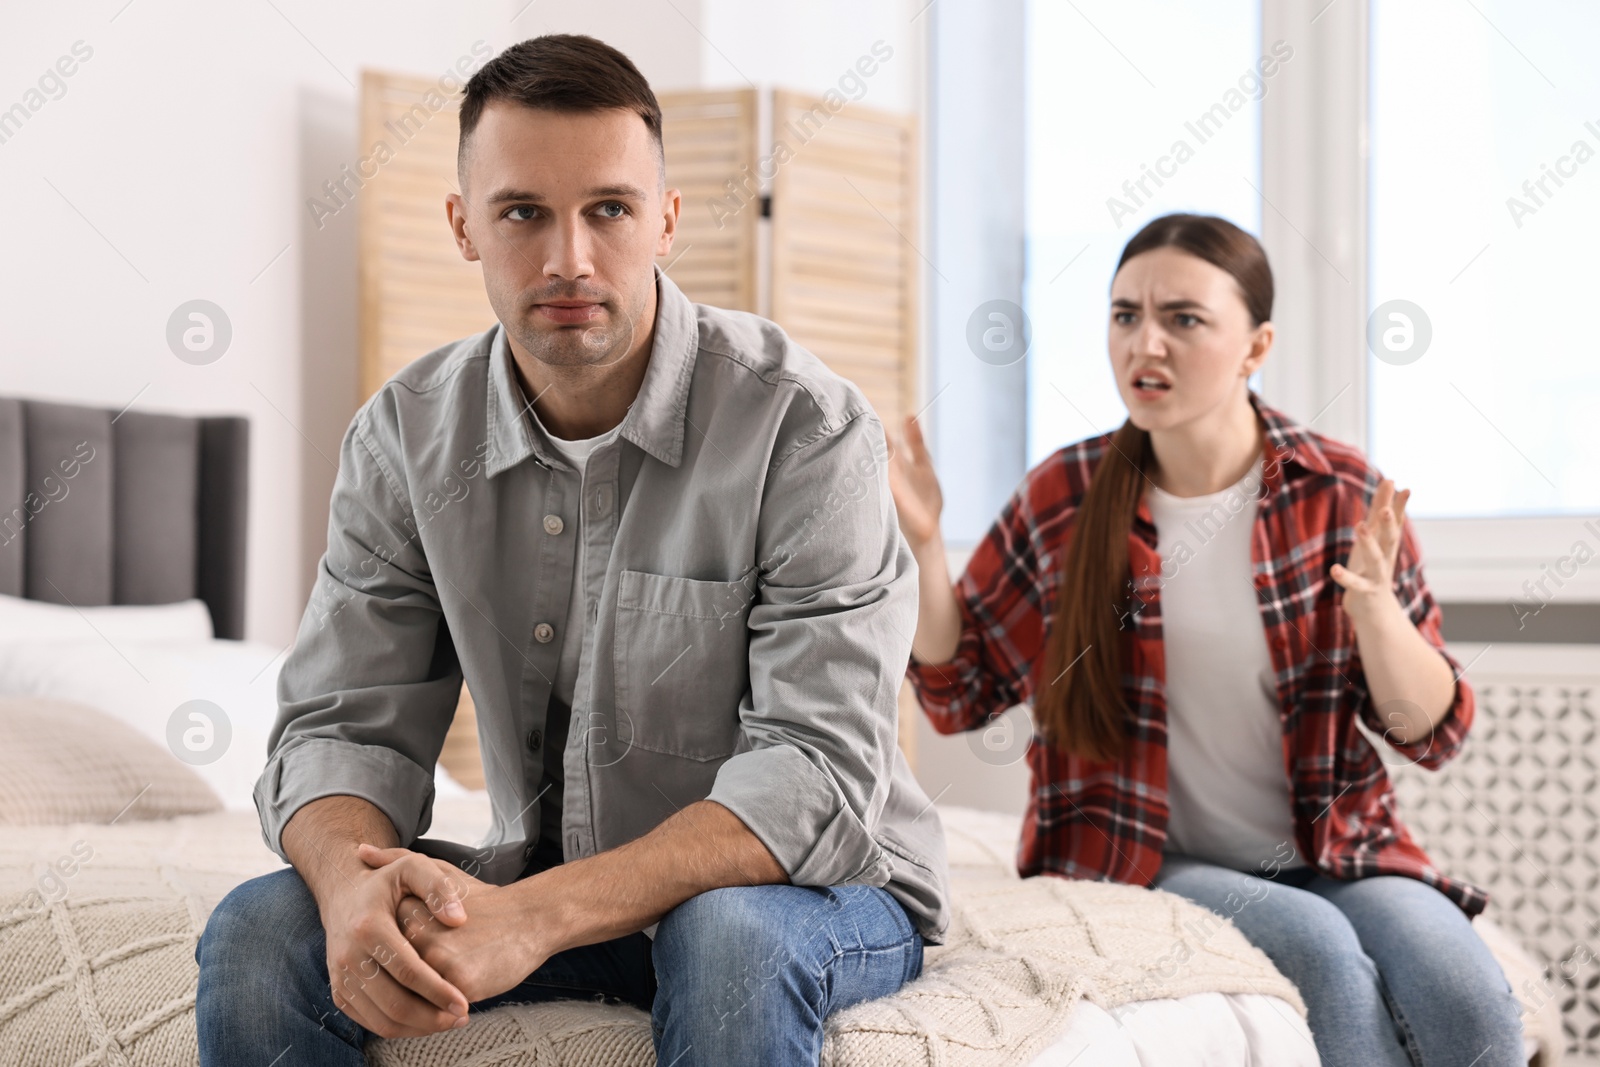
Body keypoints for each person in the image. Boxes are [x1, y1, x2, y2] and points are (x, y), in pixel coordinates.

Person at [195, 33, 947, 1067]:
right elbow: (340, 724)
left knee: (723, 932)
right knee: (259, 931)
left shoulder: (807, 430)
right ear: (463, 226)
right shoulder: (405, 436)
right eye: (522, 213)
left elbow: (813, 772)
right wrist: (351, 882)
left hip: (817, 888)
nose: (568, 260)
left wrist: (533, 917)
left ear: (667, 221)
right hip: (545, 876)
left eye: (609, 209)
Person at [891, 213, 1524, 1067]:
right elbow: (959, 689)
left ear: (1256, 346)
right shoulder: (1066, 494)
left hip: (1333, 845)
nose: (1144, 342)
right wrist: (927, 546)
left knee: (1471, 999)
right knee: (1322, 951)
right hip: (1147, 854)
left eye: (1183, 318)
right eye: (1125, 315)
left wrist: (1376, 611)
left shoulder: (1338, 491)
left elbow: (1433, 730)